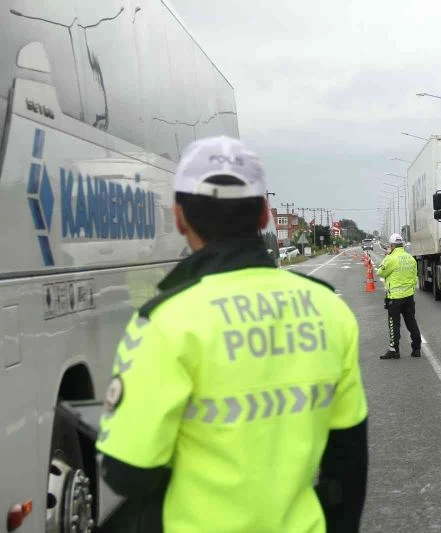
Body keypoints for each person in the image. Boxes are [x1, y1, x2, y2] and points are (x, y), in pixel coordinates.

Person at [96, 136, 368, 533]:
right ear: (263, 215)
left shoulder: (167, 321)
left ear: (179, 217)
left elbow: (127, 473)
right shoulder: (329, 309)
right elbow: (349, 461)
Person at [376, 233, 421, 360]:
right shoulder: (410, 258)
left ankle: (394, 350)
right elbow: (414, 276)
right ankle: (416, 348)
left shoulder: (391, 258)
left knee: (394, 325)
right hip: (409, 296)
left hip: (395, 298)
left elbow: (380, 272)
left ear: (392, 246)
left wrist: (387, 256)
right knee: (411, 322)